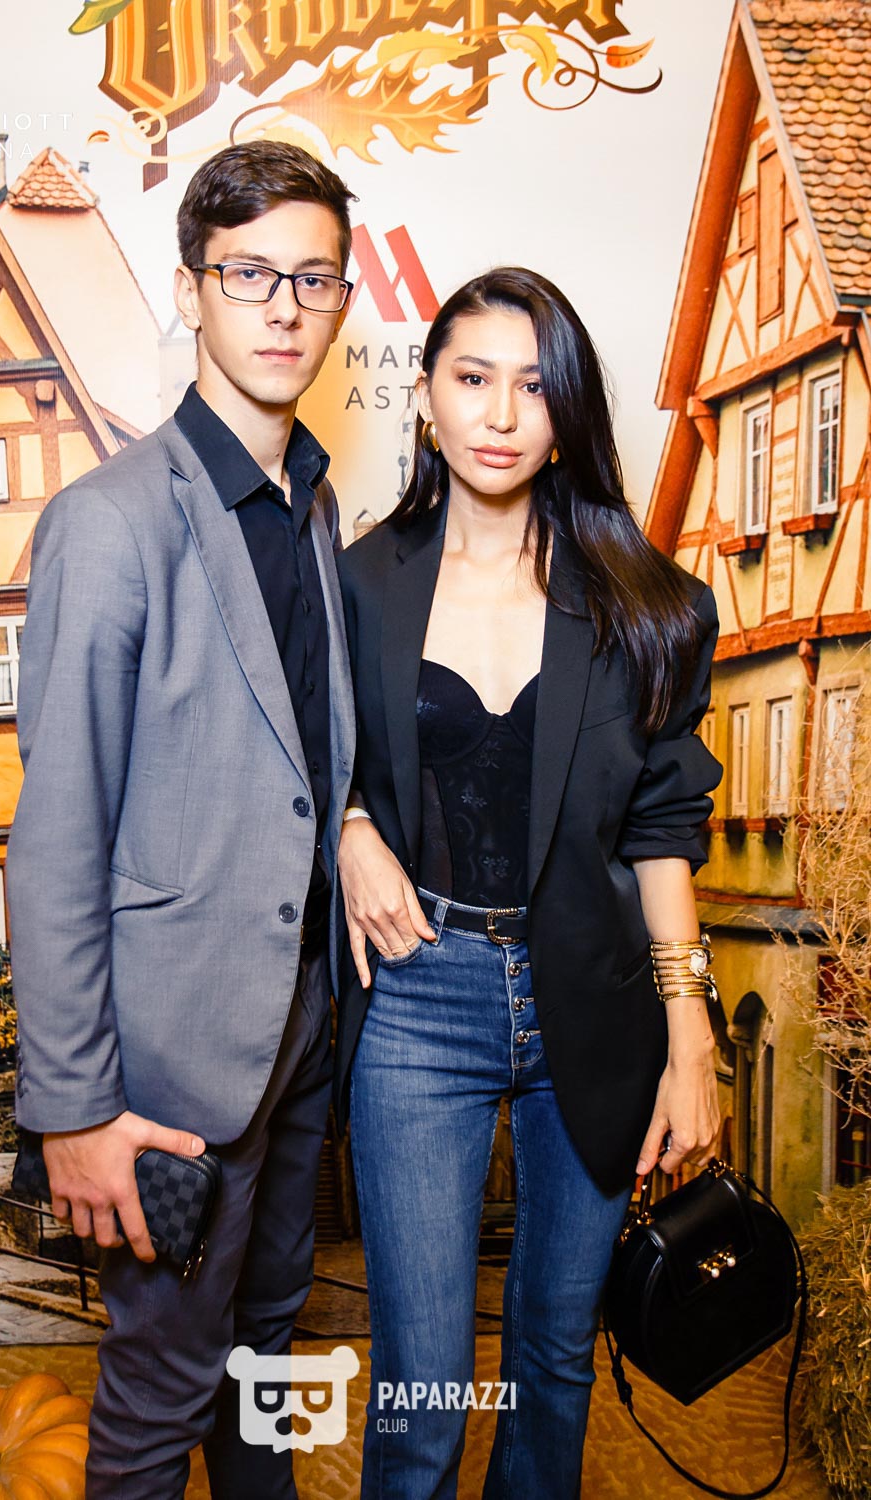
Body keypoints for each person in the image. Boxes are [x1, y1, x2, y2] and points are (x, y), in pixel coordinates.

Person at [334, 266, 724, 1499]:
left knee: (554, 1362)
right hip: (417, 997)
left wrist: (691, 1039)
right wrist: (349, 824)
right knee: (423, 1387)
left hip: (595, 1003)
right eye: (471, 378)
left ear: (567, 413)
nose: (500, 414)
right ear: (426, 397)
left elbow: (661, 830)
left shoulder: (648, 605)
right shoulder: (356, 585)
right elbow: (297, 758)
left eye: (532, 385)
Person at [6, 141, 357, 1500]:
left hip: (300, 1031)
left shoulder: (311, 506)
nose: (283, 307)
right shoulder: (109, 523)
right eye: (249, 273)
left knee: (264, 1365)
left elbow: (300, 763)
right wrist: (75, 1110)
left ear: (340, 302)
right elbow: (57, 839)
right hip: (167, 1067)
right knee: (161, 1398)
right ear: (191, 289)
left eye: (312, 279)